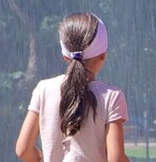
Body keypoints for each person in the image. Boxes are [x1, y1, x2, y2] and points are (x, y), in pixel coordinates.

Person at [14, 13, 128, 162]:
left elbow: (23, 149)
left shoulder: (44, 89)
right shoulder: (111, 97)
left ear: (65, 56)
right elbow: (116, 159)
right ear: (103, 55)